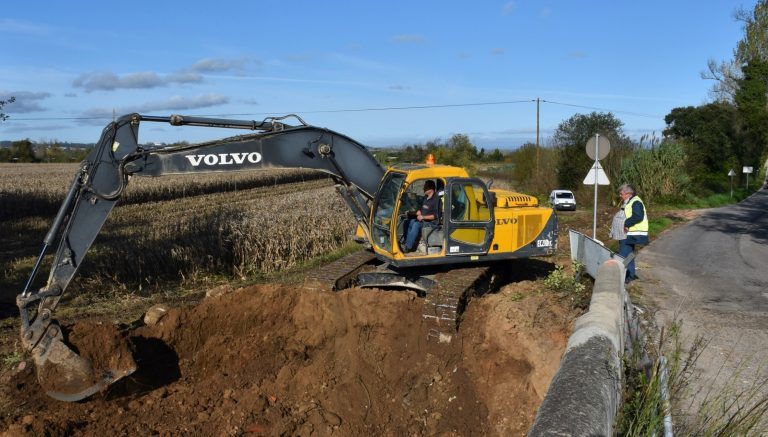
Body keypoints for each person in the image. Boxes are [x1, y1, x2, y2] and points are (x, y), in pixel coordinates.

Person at [618, 183, 649, 283]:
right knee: (629, 254)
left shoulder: (635, 202)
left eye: (621, 193)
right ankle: (630, 275)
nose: (620, 195)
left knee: (623, 255)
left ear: (628, 193)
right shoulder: (631, 201)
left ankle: (621, 277)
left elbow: (638, 216)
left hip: (633, 232)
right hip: (631, 232)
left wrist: (626, 223)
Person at [404, 180, 439, 252]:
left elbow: (436, 216)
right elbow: (422, 209)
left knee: (416, 224)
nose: (423, 189)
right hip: (423, 220)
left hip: (431, 223)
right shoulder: (426, 198)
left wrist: (423, 217)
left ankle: (408, 247)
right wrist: (416, 212)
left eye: (425, 187)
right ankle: (407, 242)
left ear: (431, 188)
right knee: (408, 222)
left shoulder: (436, 200)